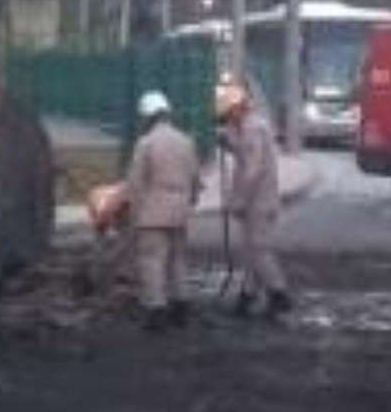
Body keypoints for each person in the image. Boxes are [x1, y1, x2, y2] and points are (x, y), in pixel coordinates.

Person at [215, 80, 292, 319]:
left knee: (259, 250)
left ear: (239, 108)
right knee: (251, 251)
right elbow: (243, 153)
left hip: (259, 200)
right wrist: (228, 142)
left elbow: (253, 168)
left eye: (229, 114)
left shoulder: (253, 129)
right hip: (255, 199)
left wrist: (239, 199)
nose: (228, 119)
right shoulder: (245, 127)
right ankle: (247, 296)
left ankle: (279, 293)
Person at [125, 90, 200, 330]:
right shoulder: (186, 141)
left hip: (152, 210)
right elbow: (195, 177)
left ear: (148, 117)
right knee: (178, 258)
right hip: (180, 210)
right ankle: (182, 306)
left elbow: (136, 182)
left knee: (152, 260)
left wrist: (135, 212)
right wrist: (190, 202)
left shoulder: (145, 143)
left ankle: (157, 310)